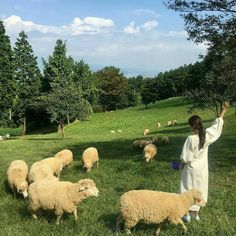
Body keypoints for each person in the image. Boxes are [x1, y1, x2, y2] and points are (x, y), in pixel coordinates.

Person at [180, 102, 230, 222]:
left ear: (192, 126)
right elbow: (216, 128)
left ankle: (187, 215)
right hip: (202, 169)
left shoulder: (191, 139)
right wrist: (223, 111)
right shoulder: (206, 136)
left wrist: (180, 165)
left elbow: (185, 158)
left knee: (188, 189)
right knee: (199, 188)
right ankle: (196, 214)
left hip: (191, 169)